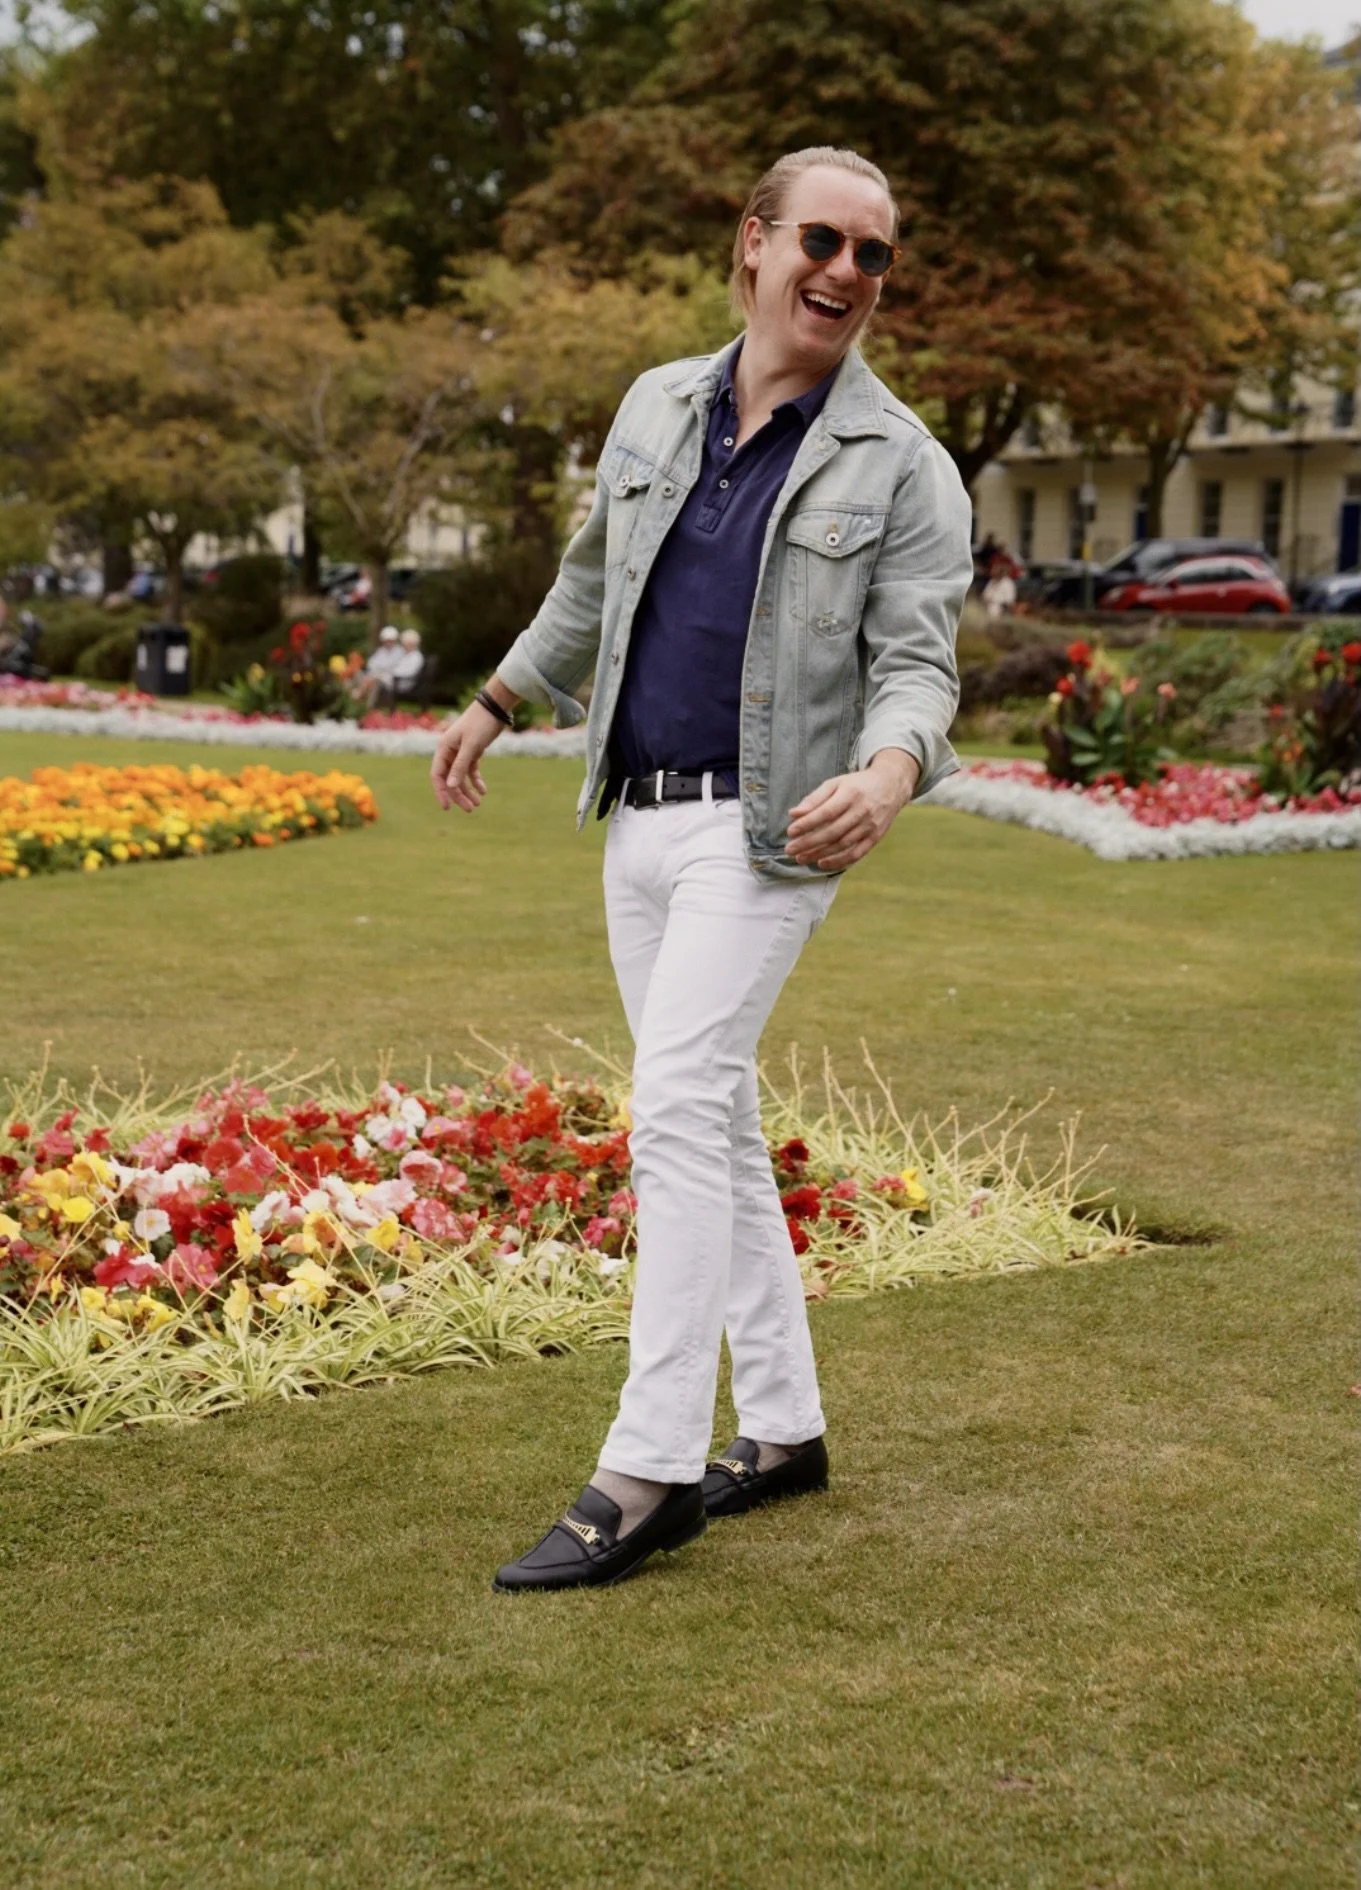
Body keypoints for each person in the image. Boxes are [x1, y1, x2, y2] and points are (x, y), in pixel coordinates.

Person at [431, 145, 973, 1594]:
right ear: (753, 242)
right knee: (718, 1120)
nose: (848, 273)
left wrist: (888, 771)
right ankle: (785, 1431)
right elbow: (594, 577)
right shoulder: (656, 406)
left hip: (772, 833)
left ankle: (650, 1462)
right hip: (637, 818)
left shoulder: (904, 463)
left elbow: (920, 664)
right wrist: (493, 700)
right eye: (824, 239)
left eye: (877, 254)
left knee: (671, 1102)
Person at [356, 624, 403, 705]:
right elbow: (371, 664)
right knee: (357, 674)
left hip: (389, 679)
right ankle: (358, 699)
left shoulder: (399, 652)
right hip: (375, 675)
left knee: (373, 681)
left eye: (390, 640)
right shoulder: (381, 651)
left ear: (394, 640)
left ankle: (364, 702)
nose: (388, 643)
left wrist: (380, 669)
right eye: (386, 640)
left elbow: (392, 667)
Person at [390, 627, 425, 698]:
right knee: (375, 679)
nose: (403, 645)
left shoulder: (416, 657)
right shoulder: (403, 655)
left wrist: (393, 673)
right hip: (395, 680)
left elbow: (410, 672)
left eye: (405, 643)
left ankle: (370, 705)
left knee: (377, 680)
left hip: (405, 683)